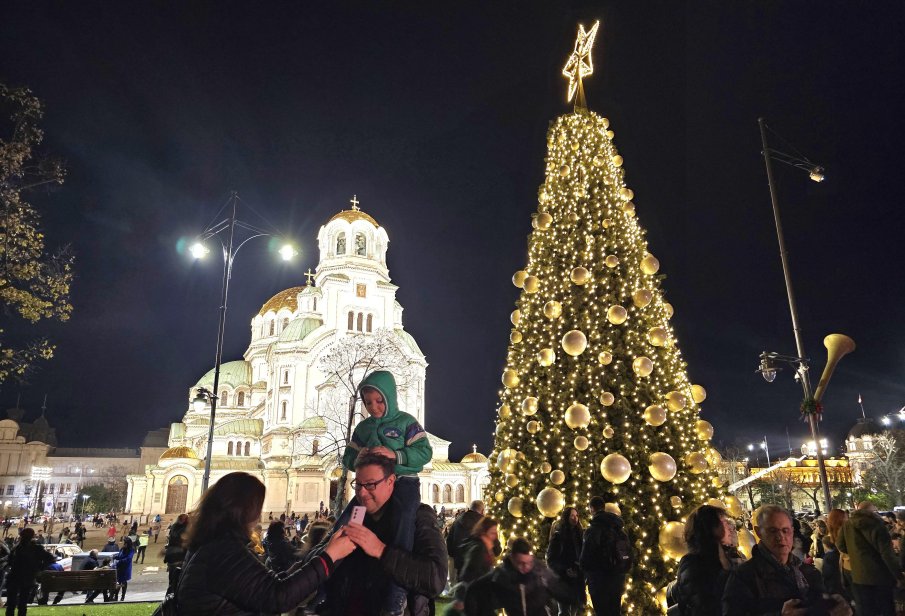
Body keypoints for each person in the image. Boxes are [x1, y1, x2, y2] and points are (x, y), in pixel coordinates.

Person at [177, 471, 354, 615]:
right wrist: (329, 557)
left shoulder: (213, 543)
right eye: (258, 505)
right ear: (244, 510)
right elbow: (277, 598)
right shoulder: (224, 551)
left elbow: (258, 588)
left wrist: (296, 570)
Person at [338, 370, 433, 616]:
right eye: (368, 402)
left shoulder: (405, 422)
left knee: (403, 519)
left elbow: (424, 453)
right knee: (347, 521)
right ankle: (328, 584)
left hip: (404, 482)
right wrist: (354, 458)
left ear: (390, 397)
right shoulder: (363, 428)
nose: (374, 407)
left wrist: (396, 455)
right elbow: (348, 456)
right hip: (370, 488)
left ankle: (397, 592)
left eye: (379, 401)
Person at [307, 452, 447, 615]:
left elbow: (435, 579)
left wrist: (381, 550)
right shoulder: (354, 517)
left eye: (370, 485)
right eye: (358, 485)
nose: (362, 493)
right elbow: (316, 562)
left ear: (390, 481)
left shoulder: (418, 516)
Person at [722, 504, 850, 616]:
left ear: (792, 532)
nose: (780, 537)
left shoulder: (807, 572)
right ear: (759, 532)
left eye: (785, 530)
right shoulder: (744, 576)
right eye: (772, 531)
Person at [465, 537, 572, 616]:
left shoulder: (540, 572)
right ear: (512, 559)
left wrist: (574, 598)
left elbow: (559, 588)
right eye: (520, 563)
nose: (525, 567)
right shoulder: (501, 574)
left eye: (528, 562)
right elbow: (474, 590)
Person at [669, 504, 741, 615]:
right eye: (722, 521)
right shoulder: (692, 565)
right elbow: (705, 608)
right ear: (710, 528)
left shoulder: (728, 556)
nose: (728, 525)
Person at [836, 501, 901, 616]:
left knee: (866, 610)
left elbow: (840, 544)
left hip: (858, 576)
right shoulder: (878, 525)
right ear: (871, 511)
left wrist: (855, 554)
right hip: (881, 576)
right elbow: (887, 554)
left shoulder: (847, 525)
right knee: (886, 608)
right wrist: (898, 576)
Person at [580, 496, 630, 615]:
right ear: (604, 507)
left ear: (592, 509)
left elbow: (585, 559)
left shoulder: (592, 531)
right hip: (617, 580)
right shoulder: (619, 530)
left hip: (599, 582)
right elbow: (627, 553)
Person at [5, 527, 55, 615]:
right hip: (16, 577)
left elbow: (50, 558)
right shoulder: (18, 547)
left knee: (21, 604)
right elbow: (10, 561)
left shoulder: (35, 548)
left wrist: (39, 568)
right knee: (13, 604)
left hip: (25, 578)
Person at [547, 507, 585, 616]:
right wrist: (564, 569)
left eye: (576, 515)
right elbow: (551, 559)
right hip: (563, 581)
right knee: (564, 612)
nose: (575, 518)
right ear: (566, 517)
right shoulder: (559, 536)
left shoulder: (580, 535)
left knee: (574, 610)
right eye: (572, 515)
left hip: (577, 580)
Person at [447, 500, 485, 583]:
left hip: (460, 565)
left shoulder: (457, 520)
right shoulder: (484, 522)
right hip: (479, 567)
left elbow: (449, 542)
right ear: (482, 511)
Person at [459, 516, 500, 584]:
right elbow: (468, 575)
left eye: (496, 532)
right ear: (483, 532)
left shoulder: (487, 545)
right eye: (492, 532)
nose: (495, 536)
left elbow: (497, 551)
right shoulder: (478, 548)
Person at [164, 513, 189, 595]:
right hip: (180, 558)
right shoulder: (185, 529)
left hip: (172, 557)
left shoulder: (174, 527)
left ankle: (169, 600)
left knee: (172, 581)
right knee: (178, 582)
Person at [111, 536, 135, 601]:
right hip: (119, 567)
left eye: (125, 542)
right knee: (118, 581)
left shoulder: (131, 550)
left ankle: (122, 597)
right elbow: (119, 555)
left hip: (125, 568)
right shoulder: (123, 548)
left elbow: (129, 558)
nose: (124, 544)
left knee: (123, 582)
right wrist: (115, 557)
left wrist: (120, 560)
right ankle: (116, 596)